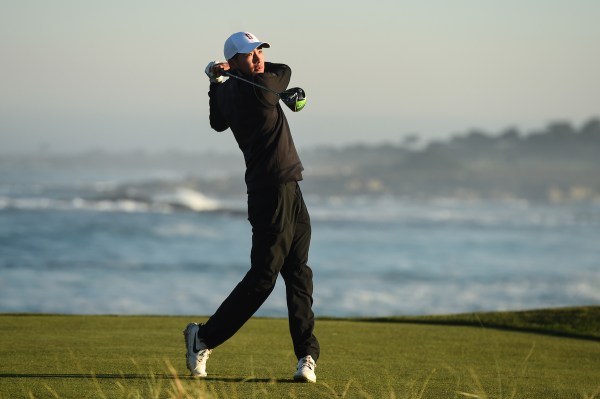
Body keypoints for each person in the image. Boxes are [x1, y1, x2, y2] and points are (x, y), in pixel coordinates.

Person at [183, 31, 320, 383]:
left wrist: (216, 80)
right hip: (270, 193)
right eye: (250, 54)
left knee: (298, 272)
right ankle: (203, 337)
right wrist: (228, 75)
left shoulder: (229, 90)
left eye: (260, 50)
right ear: (236, 60)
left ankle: (306, 355)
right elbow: (285, 70)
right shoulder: (260, 88)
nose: (259, 58)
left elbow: (216, 122)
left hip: (289, 187)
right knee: (263, 278)